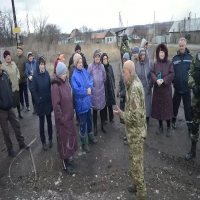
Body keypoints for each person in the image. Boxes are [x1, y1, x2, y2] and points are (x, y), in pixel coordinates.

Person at [113, 60, 147, 200]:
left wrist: (121, 114)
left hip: (136, 134)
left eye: (124, 72)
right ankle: (135, 185)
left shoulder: (133, 88)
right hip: (135, 133)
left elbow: (134, 116)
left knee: (137, 165)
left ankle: (141, 194)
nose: (123, 74)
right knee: (134, 161)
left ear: (130, 72)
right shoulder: (133, 83)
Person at [51, 62, 78, 174]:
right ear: (58, 74)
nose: (65, 75)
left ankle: (69, 158)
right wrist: (61, 119)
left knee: (69, 139)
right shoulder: (55, 86)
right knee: (63, 141)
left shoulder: (65, 82)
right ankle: (65, 164)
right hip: (63, 120)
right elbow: (56, 105)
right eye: (63, 74)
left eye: (65, 73)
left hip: (69, 118)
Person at [0, 60, 28, 157]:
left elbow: (10, 85)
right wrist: (2, 104)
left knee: (16, 125)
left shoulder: (5, 74)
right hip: (2, 110)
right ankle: (10, 149)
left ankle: (21, 142)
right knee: (6, 131)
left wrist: (11, 98)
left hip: (10, 107)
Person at [71, 53, 97, 153]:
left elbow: (90, 79)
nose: (80, 64)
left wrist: (90, 87)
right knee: (83, 124)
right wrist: (86, 91)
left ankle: (90, 137)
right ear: (75, 63)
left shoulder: (84, 71)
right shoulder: (74, 76)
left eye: (81, 62)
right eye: (78, 62)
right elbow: (76, 91)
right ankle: (83, 143)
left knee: (89, 122)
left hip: (88, 103)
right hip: (81, 105)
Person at [151, 44, 175, 137]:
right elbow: (152, 73)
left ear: (165, 53)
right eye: (160, 52)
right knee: (159, 110)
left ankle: (169, 127)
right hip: (157, 91)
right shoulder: (155, 63)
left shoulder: (169, 63)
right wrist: (156, 80)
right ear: (158, 53)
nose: (161, 54)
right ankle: (160, 126)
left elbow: (172, 74)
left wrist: (164, 80)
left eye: (163, 52)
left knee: (167, 110)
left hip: (166, 91)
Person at [31, 56, 53, 151]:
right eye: (40, 64)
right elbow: (32, 89)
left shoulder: (47, 73)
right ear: (38, 65)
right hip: (40, 103)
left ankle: (51, 139)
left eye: (43, 64)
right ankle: (43, 142)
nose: (42, 66)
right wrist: (37, 100)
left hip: (47, 102)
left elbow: (49, 86)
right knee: (41, 123)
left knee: (49, 121)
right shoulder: (35, 76)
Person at [172, 37, 193, 134]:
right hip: (177, 88)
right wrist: (173, 81)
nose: (181, 47)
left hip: (186, 89)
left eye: (183, 45)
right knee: (175, 106)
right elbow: (172, 72)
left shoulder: (190, 58)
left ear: (185, 46)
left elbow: (193, 73)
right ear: (178, 46)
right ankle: (173, 121)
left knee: (188, 108)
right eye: (180, 45)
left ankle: (190, 126)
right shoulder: (174, 59)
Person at [185, 52, 200, 161]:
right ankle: (193, 150)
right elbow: (190, 73)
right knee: (195, 125)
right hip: (197, 99)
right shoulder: (197, 58)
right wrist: (193, 85)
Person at [87, 50, 106, 135]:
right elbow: (87, 79)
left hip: (101, 91)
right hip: (94, 93)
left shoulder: (102, 67)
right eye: (96, 57)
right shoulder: (90, 67)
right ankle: (94, 127)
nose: (97, 58)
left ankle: (102, 125)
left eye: (98, 56)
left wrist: (101, 86)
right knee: (94, 111)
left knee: (102, 110)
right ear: (94, 58)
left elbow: (104, 78)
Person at [2, 51, 23, 119]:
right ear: (5, 58)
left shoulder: (13, 63)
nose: (8, 57)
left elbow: (17, 71)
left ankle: (19, 114)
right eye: (6, 56)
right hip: (10, 88)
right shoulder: (3, 66)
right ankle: (11, 117)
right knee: (11, 102)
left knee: (17, 101)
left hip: (16, 86)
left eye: (9, 55)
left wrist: (18, 77)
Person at [136, 48, 153, 125]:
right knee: (140, 104)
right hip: (139, 88)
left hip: (147, 87)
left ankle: (147, 120)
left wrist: (150, 84)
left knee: (147, 104)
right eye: (141, 55)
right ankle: (141, 119)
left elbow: (152, 75)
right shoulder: (137, 64)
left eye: (144, 55)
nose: (142, 56)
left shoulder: (149, 63)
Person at [101, 53, 116, 123]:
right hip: (104, 88)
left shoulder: (110, 66)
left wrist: (113, 85)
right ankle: (105, 118)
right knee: (104, 104)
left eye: (106, 58)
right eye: (104, 59)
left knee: (110, 103)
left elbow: (112, 76)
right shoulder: (101, 68)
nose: (105, 60)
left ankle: (111, 117)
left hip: (109, 87)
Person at [14, 46, 30, 111]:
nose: (18, 52)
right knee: (20, 94)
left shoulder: (25, 59)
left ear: (22, 52)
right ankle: (22, 105)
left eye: (19, 51)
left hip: (24, 80)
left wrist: (24, 75)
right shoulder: (15, 59)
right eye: (17, 51)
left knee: (26, 94)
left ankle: (27, 105)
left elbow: (27, 68)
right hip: (18, 81)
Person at [118, 52, 130, 124]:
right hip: (122, 96)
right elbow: (120, 83)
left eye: (125, 60)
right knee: (122, 108)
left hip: (127, 96)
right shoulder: (122, 69)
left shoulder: (130, 71)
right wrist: (118, 91)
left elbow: (128, 87)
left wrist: (121, 93)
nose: (124, 61)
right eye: (123, 60)